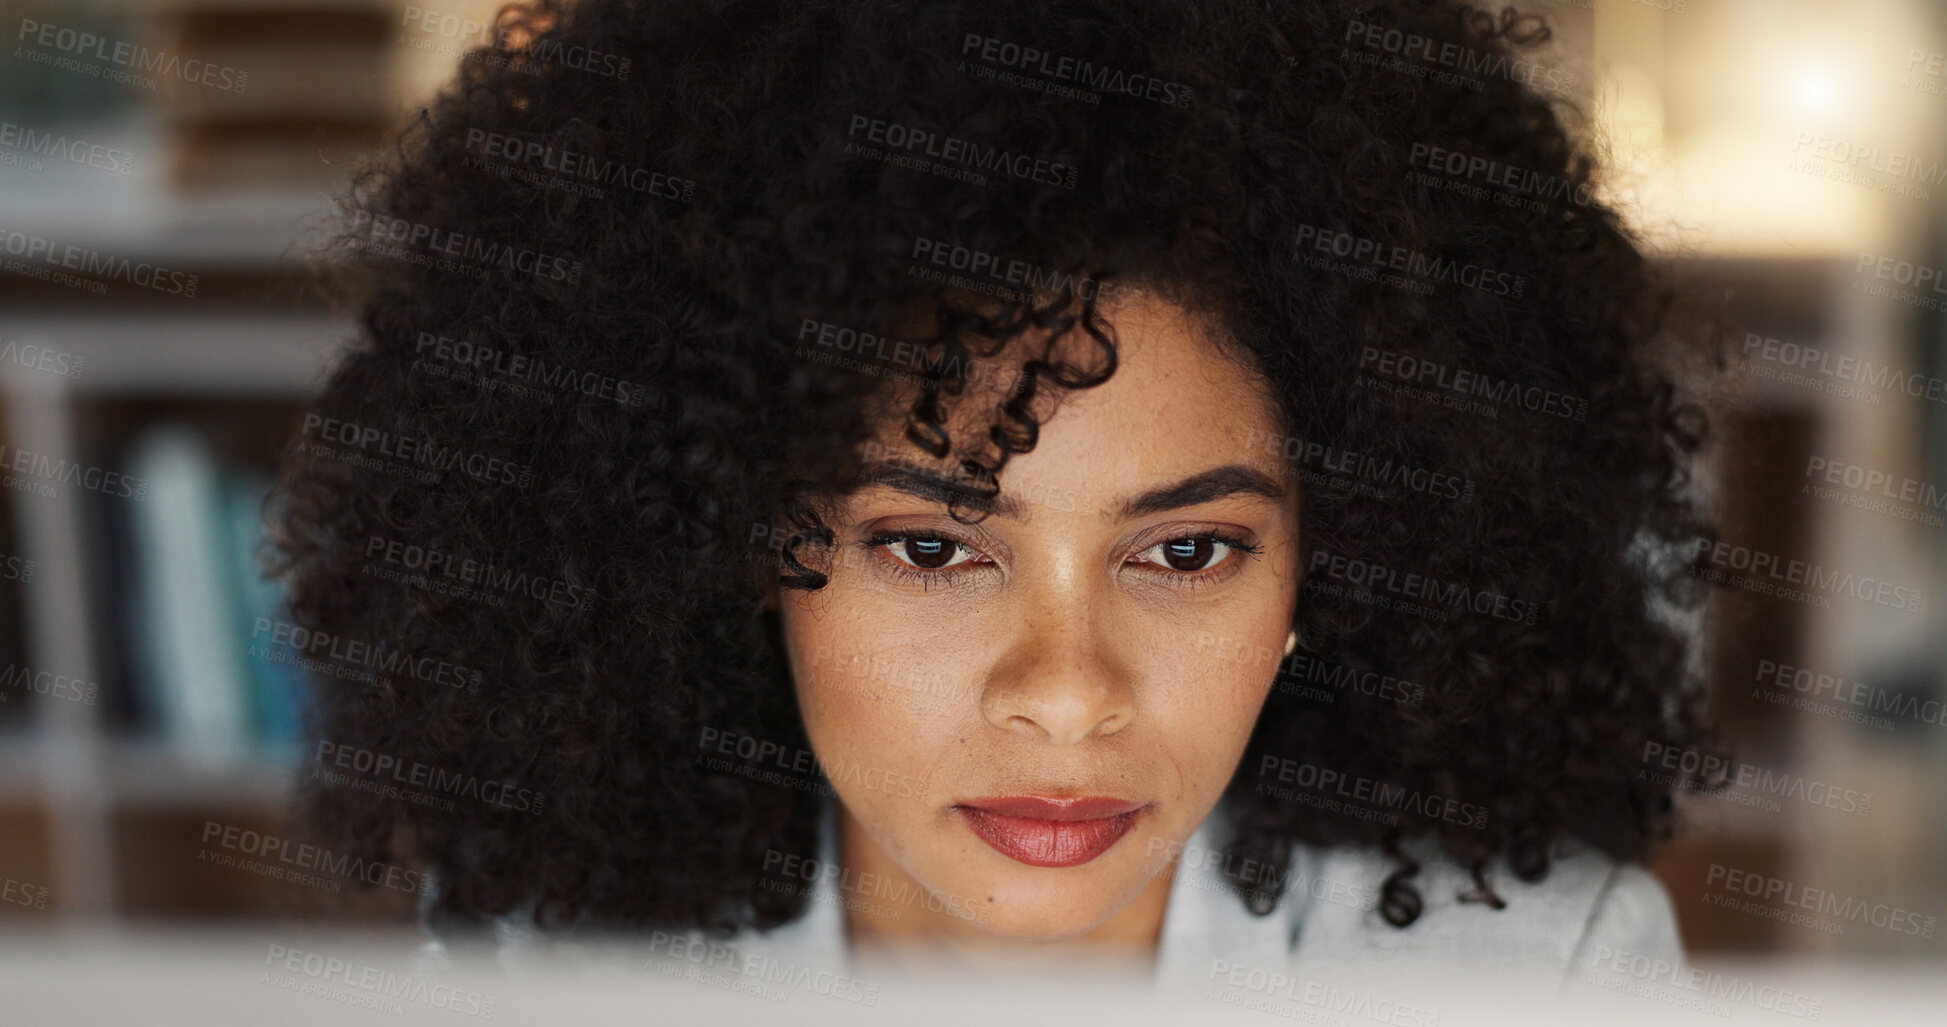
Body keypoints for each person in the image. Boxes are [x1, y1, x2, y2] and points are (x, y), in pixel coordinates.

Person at [269, 0, 1725, 1001]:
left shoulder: (1539, 980)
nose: (1065, 697)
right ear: (735, 543)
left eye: (1191, 549)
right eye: (931, 545)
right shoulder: (557, 975)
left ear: (1339, 570)